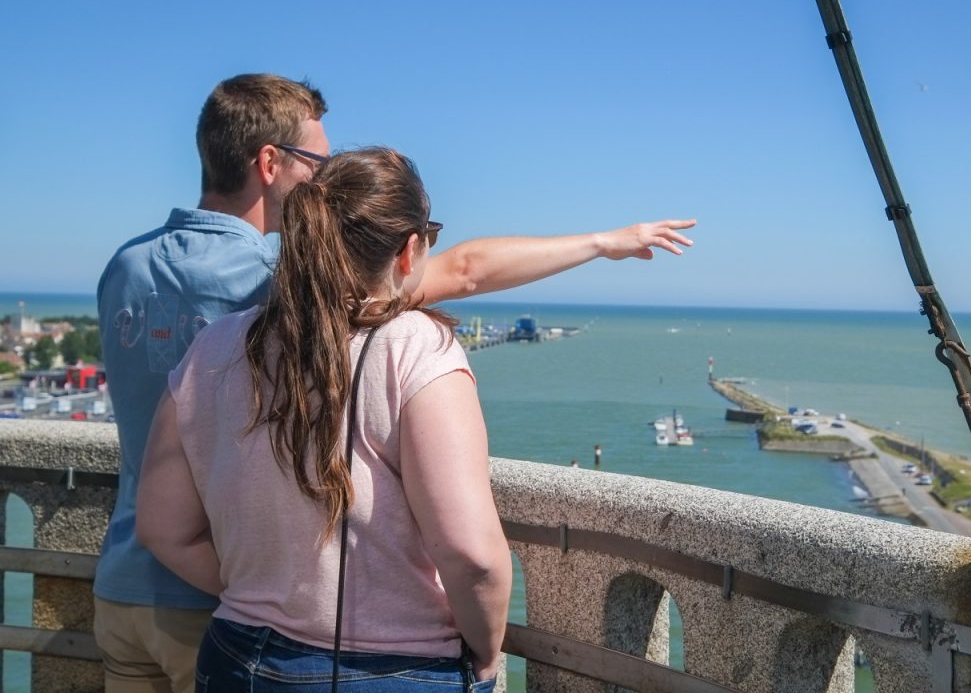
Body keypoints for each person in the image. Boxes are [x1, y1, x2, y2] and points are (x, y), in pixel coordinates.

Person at [95, 72, 694, 692]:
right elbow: (460, 272)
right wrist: (603, 242)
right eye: (314, 162)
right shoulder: (292, 274)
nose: (319, 183)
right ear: (270, 162)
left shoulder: (126, 265)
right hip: (243, 602)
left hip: (131, 587)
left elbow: (162, 500)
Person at [137, 147, 510, 690]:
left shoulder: (214, 345)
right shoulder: (417, 347)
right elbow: (471, 556)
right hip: (391, 668)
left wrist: (263, 600)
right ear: (409, 251)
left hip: (235, 658)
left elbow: (161, 529)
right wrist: (487, 652)